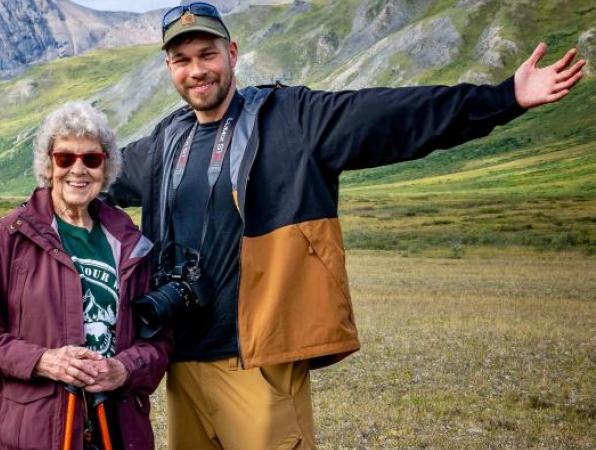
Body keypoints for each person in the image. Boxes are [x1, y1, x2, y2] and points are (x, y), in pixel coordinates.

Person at [104, 2, 586, 449]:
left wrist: (505, 98)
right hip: (181, 363)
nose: (197, 70)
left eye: (207, 54)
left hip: (257, 362)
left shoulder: (291, 119)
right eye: (182, 59)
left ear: (231, 53)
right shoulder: (167, 141)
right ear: (170, 68)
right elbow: (91, 176)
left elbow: (393, 117)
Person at [0, 102, 171, 450]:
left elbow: (158, 345)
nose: (78, 170)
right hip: (38, 432)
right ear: (48, 164)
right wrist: (43, 361)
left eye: (91, 159)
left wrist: (124, 369)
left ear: (107, 166)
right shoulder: (14, 233)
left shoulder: (129, 241)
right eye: (65, 158)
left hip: (118, 430)